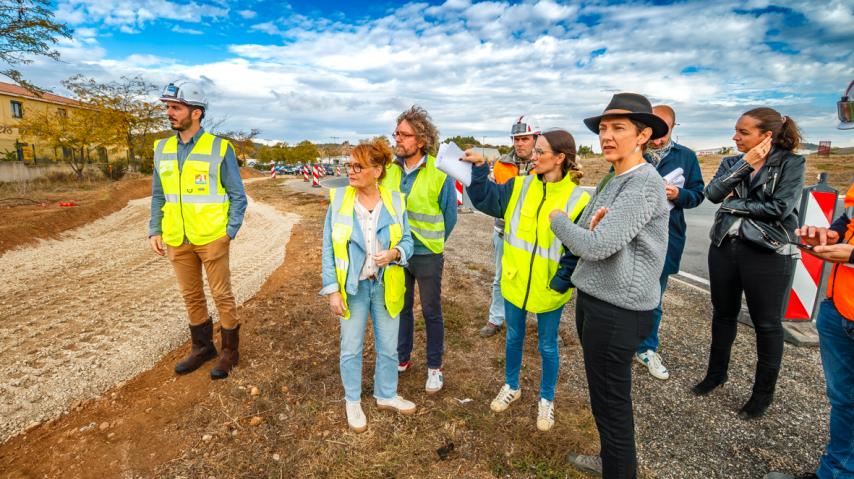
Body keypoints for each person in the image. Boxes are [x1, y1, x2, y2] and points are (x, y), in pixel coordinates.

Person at [552, 93, 670, 478]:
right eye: (603, 128)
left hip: (618, 310)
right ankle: (612, 462)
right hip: (597, 298)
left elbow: (593, 244)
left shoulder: (643, 183)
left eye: (619, 128)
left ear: (643, 135)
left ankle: (618, 469)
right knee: (604, 397)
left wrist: (556, 219)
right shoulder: (615, 178)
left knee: (611, 401)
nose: (606, 136)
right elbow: (589, 229)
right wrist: (586, 230)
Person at [462, 128, 589, 431]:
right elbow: (485, 200)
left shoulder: (578, 198)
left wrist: (561, 282)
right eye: (535, 151)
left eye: (540, 152)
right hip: (515, 280)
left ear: (560, 158)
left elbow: (578, 249)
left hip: (549, 288)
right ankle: (511, 386)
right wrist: (479, 171)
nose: (534, 156)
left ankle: (546, 399)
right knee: (514, 337)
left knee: (548, 346)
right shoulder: (519, 186)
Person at [766, 83, 854, 479]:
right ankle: (833, 473)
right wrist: (832, 234)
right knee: (845, 402)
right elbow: (849, 220)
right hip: (841, 308)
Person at [694, 107, 805, 420]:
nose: (735, 137)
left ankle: (762, 394)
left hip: (767, 251)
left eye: (743, 132)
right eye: (736, 131)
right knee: (723, 315)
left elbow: (780, 208)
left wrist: (735, 204)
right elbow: (713, 194)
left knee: (767, 325)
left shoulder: (791, 163)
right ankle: (716, 375)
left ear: (766, 135)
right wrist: (745, 164)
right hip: (724, 246)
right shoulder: (732, 162)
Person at [149, 80, 247, 380]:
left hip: (212, 237)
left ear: (196, 112)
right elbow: (158, 195)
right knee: (191, 295)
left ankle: (229, 351)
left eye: (176, 108)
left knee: (222, 295)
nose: (169, 113)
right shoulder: (162, 148)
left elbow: (238, 196)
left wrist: (228, 232)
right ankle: (203, 347)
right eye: (168, 107)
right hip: (177, 238)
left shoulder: (220, 148)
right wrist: (155, 229)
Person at [320, 139, 417, 433]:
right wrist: (332, 290)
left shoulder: (395, 201)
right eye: (349, 166)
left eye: (358, 167)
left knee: (389, 346)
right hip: (354, 288)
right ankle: (352, 400)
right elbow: (328, 248)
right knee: (351, 347)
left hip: (386, 285)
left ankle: (386, 394)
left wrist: (395, 253)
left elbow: (408, 241)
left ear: (377, 171)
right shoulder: (340, 200)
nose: (350, 171)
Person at [382, 105, 458, 394]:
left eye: (404, 135)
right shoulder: (389, 171)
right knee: (400, 308)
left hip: (427, 254)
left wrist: (433, 241)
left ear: (422, 140)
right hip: (397, 253)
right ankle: (402, 358)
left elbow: (449, 216)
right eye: (396, 133)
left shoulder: (440, 172)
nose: (398, 139)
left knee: (431, 310)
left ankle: (434, 367)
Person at [633, 105, 705, 380]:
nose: (658, 136)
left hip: (666, 236)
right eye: (654, 129)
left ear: (673, 127)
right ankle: (623, 342)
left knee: (654, 295)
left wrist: (678, 194)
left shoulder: (686, 156)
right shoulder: (634, 151)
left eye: (665, 130)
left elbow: (698, 195)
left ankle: (647, 348)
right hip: (632, 233)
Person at [480, 115, 541, 338]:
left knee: (537, 279)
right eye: (516, 139)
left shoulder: (544, 164)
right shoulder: (501, 165)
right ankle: (496, 318)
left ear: (536, 139)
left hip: (534, 235)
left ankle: (542, 325)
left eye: (525, 138)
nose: (519, 143)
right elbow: (492, 195)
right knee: (501, 277)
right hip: (503, 232)